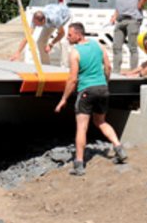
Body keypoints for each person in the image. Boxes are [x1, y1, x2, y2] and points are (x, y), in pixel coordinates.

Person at [54, 22, 128, 175]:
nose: (67, 37)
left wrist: (63, 99)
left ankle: (79, 164)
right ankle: (118, 147)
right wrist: (105, 82)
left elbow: (72, 79)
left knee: (82, 127)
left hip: (86, 91)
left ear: (79, 34)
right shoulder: (99, 46)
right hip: (102, 89)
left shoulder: (75, 53)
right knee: (100, 121)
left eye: (70, 34)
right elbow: (107, 67)